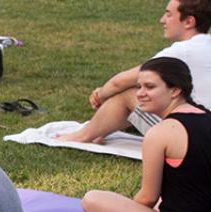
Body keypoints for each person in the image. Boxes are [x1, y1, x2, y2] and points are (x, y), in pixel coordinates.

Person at [82, 58, 211, 212]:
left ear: (175, 90)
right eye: (139, 86)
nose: (140, 94)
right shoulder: (207, 117)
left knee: (92, 199)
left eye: (149, 87)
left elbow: (147, 198)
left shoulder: (160, 133)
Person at [59, 0, 210, 143]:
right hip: (202, 126)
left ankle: (82, 136)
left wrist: (100, 95)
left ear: (189, 22)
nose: (162, 20)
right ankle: (99, 131)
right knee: (147, 93)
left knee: (129, 94)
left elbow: (119, 83)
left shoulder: (182, 51)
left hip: (194, 137)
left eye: (169, 15)